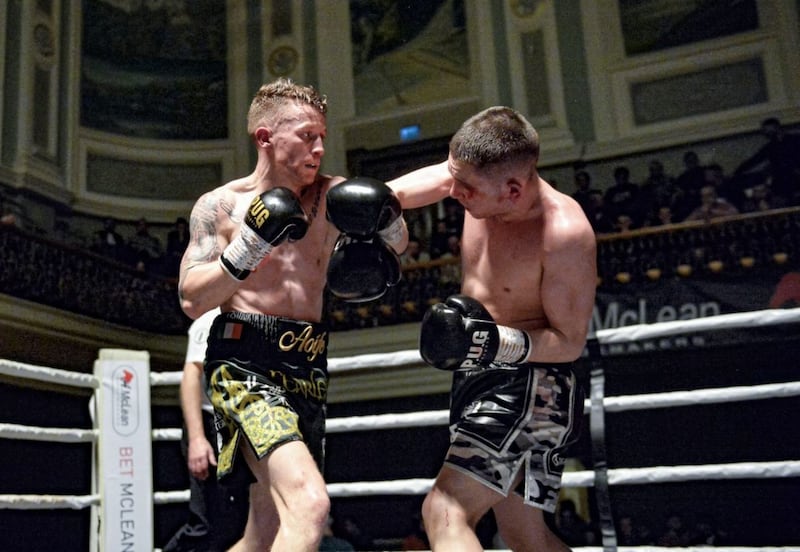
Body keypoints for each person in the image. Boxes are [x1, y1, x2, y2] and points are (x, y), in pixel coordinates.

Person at [178, 78, 410, 551]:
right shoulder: (220, 207)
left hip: (306, 366)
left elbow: (399, 242)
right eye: (307, 135)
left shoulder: (333, 196)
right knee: (310, 505)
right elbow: (191, 299)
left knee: (263, 532)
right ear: (265, 137)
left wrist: (387, 215)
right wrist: (249, 245)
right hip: (243, 367)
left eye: (322, 136)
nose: (320, 147)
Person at [389, 106, 596, 551]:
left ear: (513, 189)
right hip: (482, 374)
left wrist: (489, 343)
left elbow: (569, 342)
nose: (452, 191)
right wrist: (376, 202)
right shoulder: (477, 184)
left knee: (445, 509)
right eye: (453, 175)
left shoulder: (563, 232)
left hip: (533, 385)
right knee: (527, 539)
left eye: (465, 187)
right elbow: (412, 191)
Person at [162, 308, 249, 552]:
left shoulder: (262, 319)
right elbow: (192, 374)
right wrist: (198, 439)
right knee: (205, 525)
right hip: (210, 425)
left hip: (244, 430)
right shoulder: (212, 320)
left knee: (237, 524)